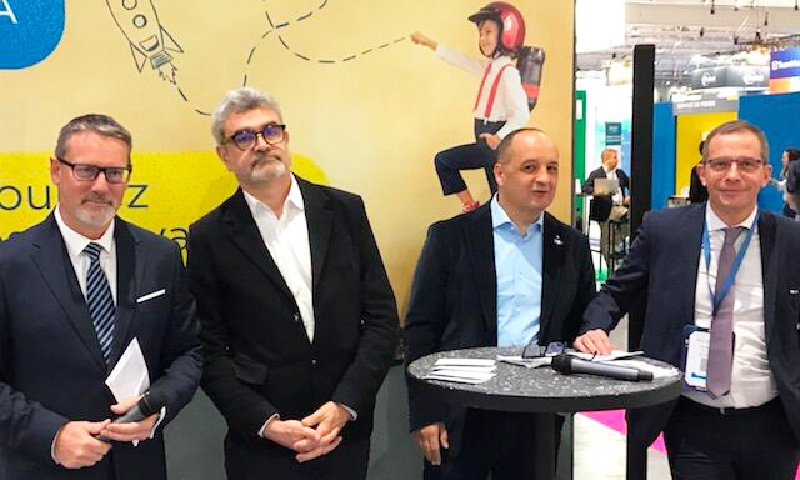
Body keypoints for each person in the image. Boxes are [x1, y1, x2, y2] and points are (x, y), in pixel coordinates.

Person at [187, 87, 399, 480]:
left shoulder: (345, 211)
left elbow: (382, 320)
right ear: (224, 155)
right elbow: (208, 348)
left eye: (271, 131)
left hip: (344, 433)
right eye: (244, 137)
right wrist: (265, 422)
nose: (262, 144)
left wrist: (345, 404)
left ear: (286, 138)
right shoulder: (208, 236)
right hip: (262, 444)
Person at [574, 120, 800, 479]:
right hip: (692, 420)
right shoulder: (664, 230)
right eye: (720, 164)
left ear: (765, 174)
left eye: (746, 164)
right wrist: (594, 327)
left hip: (773, 423)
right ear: (703, 173)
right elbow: (616, 292)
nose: (733, 174)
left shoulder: (790, 238)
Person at [0, 114, 202, 479]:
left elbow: (189, 351)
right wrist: (51, 436)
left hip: (138, 467)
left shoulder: (161, 256)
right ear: (56, 170)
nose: (101, 186)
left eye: (114, 173)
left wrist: (159, 405)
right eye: (86, 170)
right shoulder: (9, 264)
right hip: (44, 467)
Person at [405, 128, 595, 479]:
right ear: (500, 173)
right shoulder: (450, 238)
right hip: (461, 412)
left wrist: (567, 395)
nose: (543, 179)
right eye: (530, 168)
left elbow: (581, 324)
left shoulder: (572, 246)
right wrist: (425, 412)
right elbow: (422, 328)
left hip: (536, 415)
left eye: (552, 168)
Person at [411, 2, 529, 212]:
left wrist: (499, 137)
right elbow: (461, 60)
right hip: (484, 133)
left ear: (506, 34)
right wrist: (429, 43)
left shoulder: (508, 71)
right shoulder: (490, 67)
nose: (482, 38)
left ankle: (475, 208)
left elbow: (521, 114)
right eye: (480, 33)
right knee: (497, 195)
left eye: (488, 32)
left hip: (494, 136)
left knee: (445, 161)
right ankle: (475, 207)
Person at [581, 148, 630, 267]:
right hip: (605, 209)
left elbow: (632, 184)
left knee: (628, 223)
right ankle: (610, 263)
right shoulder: (596, 174)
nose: (617, 160)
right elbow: (585, 187)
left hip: (621, 207)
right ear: (606, 159)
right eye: (614, 158)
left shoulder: (620, 174)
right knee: (607, 237)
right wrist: (597, 191)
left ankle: (619, 251)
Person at [778, 148, 800, 218]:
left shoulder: (795, 171)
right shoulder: (785, 172)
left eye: (784, 157)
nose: (782, 160)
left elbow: (784, 186)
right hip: (789, 206)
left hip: (795, 207)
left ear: (791, 158)